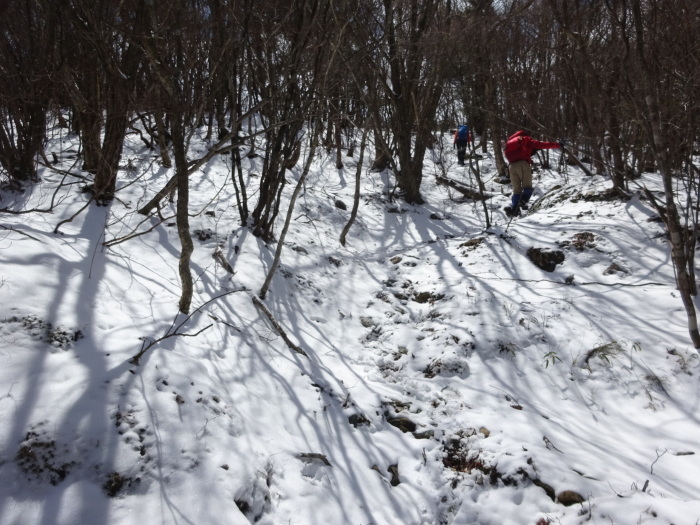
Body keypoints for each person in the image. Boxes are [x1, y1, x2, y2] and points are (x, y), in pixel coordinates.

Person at [503, 131, 563, 216]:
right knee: (527, 187)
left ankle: (514, 209)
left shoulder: (509, 142)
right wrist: (557, 145)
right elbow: (542, 144)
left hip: (511, 166)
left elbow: (519, 154)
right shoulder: (525, 139)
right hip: (523, 165)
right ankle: (523, 201)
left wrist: (529, 159)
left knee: (516, 190)